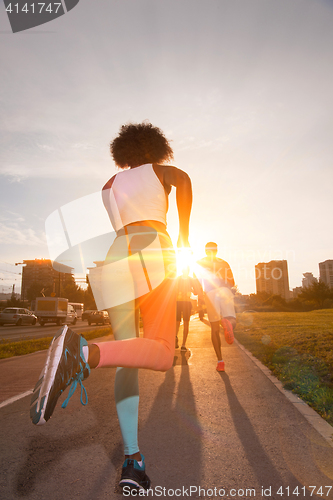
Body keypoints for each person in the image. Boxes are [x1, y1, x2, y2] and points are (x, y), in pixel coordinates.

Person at [30, 122, 192, 493]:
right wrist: (182, 236)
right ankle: (84, 353)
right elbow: (183, 184)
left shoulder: (109, 185)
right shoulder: (164, 171)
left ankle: (133, 460)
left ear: (123, 152)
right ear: (156, 148)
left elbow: (119, 225)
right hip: (154, 245)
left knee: (128, 355)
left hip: (116, 256)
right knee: (164, 353)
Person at [195, 242, 236, 372]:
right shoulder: (224, 263)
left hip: (210, 293)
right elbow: (232, 282)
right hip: (225, 290)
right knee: (231, 319)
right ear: (216, 250)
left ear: (206, 251)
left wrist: (200, 295)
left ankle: (220, 362)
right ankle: (227, 323)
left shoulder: (200, 263)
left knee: (214, 329)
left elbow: (196, 281)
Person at [175, 266, 201, 350]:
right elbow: (174, 290)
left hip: (183, 302)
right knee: (181, 323)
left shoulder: (184, 279)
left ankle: (180, 342)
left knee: (181, 323)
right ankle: (179, 341)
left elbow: (196, 292)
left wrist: (193, 290)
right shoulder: (181, 279)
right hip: (181, 302)